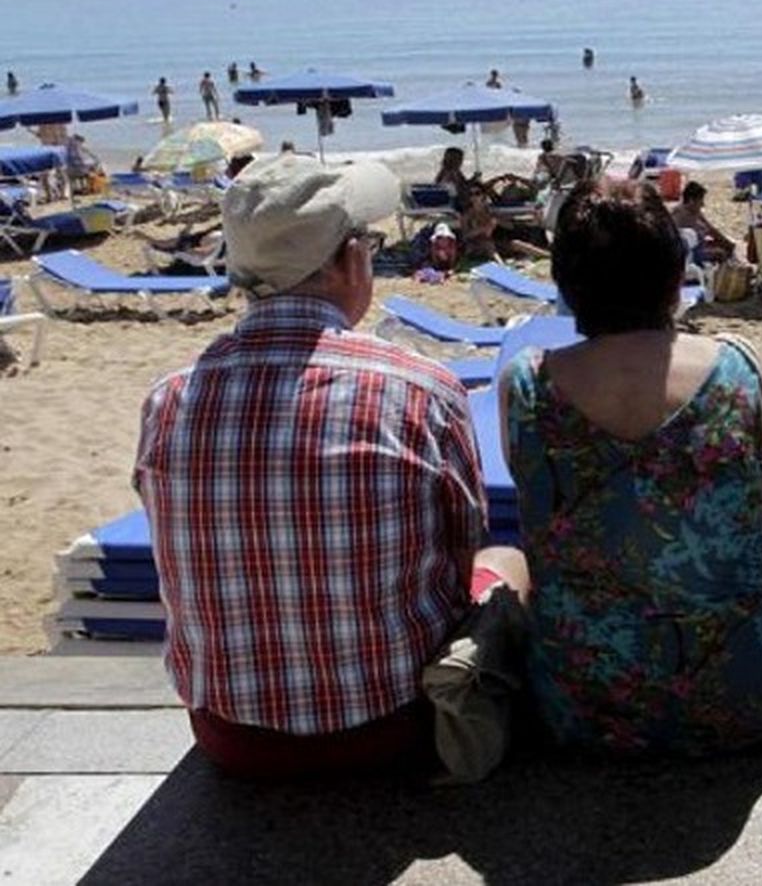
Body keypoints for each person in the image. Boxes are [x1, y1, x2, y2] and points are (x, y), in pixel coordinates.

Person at [133, 154, 505, 778]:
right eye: (367, 243)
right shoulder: (419, 389)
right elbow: (465, 552)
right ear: (345, 260)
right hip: (393, 725)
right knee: (506, 563)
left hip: (229, 737)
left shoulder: (169, 400)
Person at [498, 178, 762, 753]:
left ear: (567, 286)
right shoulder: (741, 368)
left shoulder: (525, 382)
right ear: (676, 278)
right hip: (747, 700)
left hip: (579, 705)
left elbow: (539, 516)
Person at [673, 180, 737, 265]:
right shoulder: (680, 215)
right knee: (720, 253)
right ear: (692, 200)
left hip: (699, 247)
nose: (703, 204)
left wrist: (726, 242)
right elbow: (688, 246)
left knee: (725, 245)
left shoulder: (694, 212)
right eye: (700, 201)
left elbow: (710, 229)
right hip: (688, 254)